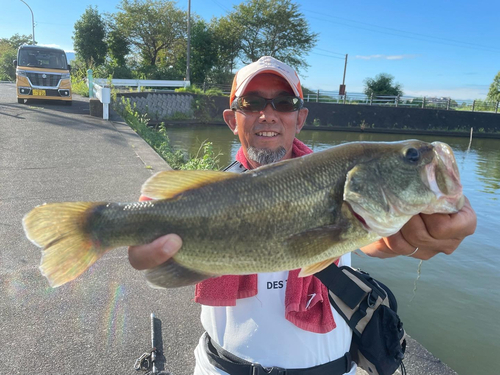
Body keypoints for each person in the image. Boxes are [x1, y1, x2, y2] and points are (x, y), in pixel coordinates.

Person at [129, 56, 477, 375]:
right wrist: (143, 222)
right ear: (232, 119)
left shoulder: (339, 183)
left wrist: (412, 241)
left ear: (301, 117)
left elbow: (377, 243)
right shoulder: (204, 194)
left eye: (284, 102)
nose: (268, 114)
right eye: (251, 103)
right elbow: (161, 245)